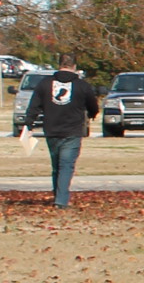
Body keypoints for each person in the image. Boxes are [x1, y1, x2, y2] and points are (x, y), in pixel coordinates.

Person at [24, 57, 102, 209]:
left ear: (59, 65)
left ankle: (58, 196)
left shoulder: (45, 84)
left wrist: (29, 124)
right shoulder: (82, 85)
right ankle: (61, 200)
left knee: (57, 166)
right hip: (72, 131)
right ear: (74, 66)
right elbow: (92, 105)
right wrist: (92, 114)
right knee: (66, 165)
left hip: (51, 130)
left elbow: (34, 106)